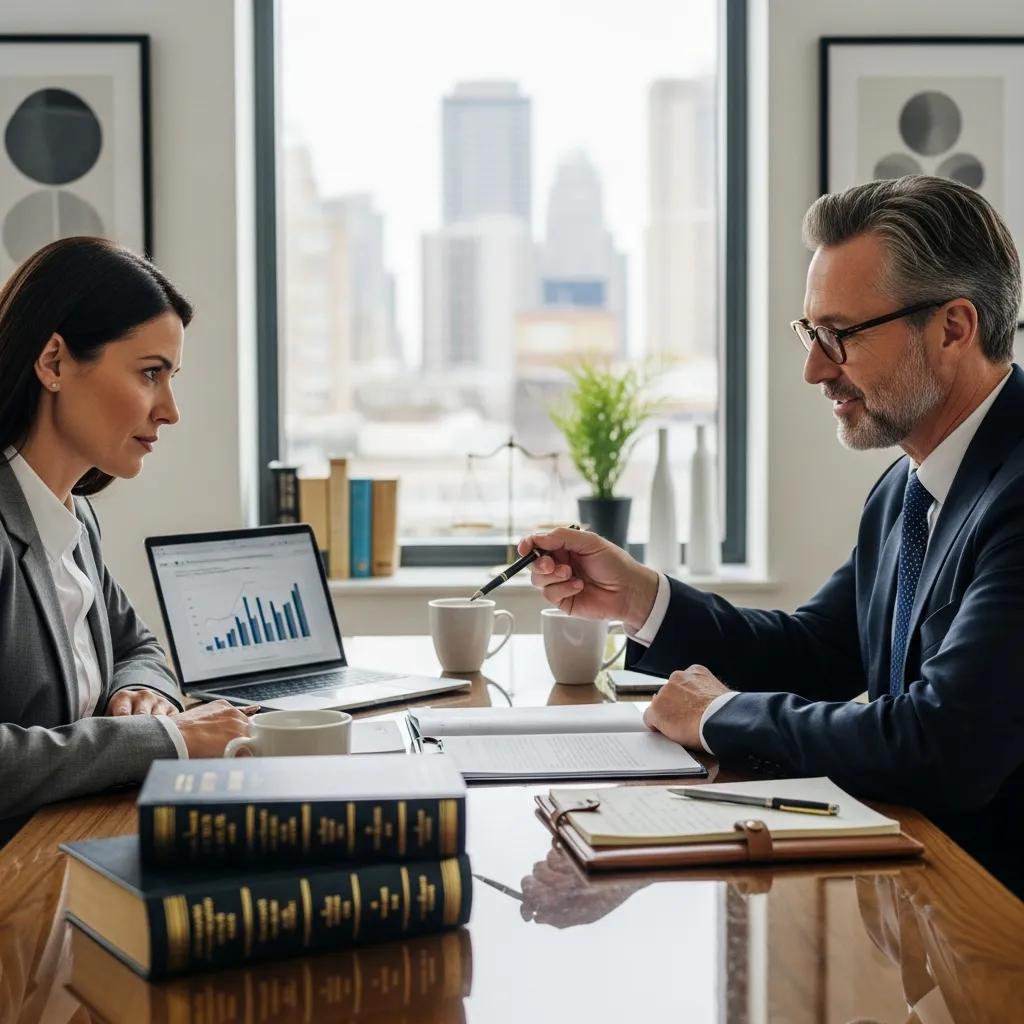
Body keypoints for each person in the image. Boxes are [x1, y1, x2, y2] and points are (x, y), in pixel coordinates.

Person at [521, 176, 1024, 898]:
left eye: (840, 336)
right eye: (811, 333)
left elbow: (944, 746)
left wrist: (718, 715)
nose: (815, 368)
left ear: (953, 327)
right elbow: (816, 652)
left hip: (994, 917)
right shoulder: (907, 490)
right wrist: (640, 600)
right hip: (929, 897)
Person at [0, 237, 250, 841]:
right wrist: (162, 738)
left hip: (71, 841)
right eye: (149, 374)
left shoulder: (74, 518)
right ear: (54, 362)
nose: (169, 410)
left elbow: (135, 645)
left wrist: (139, 690)